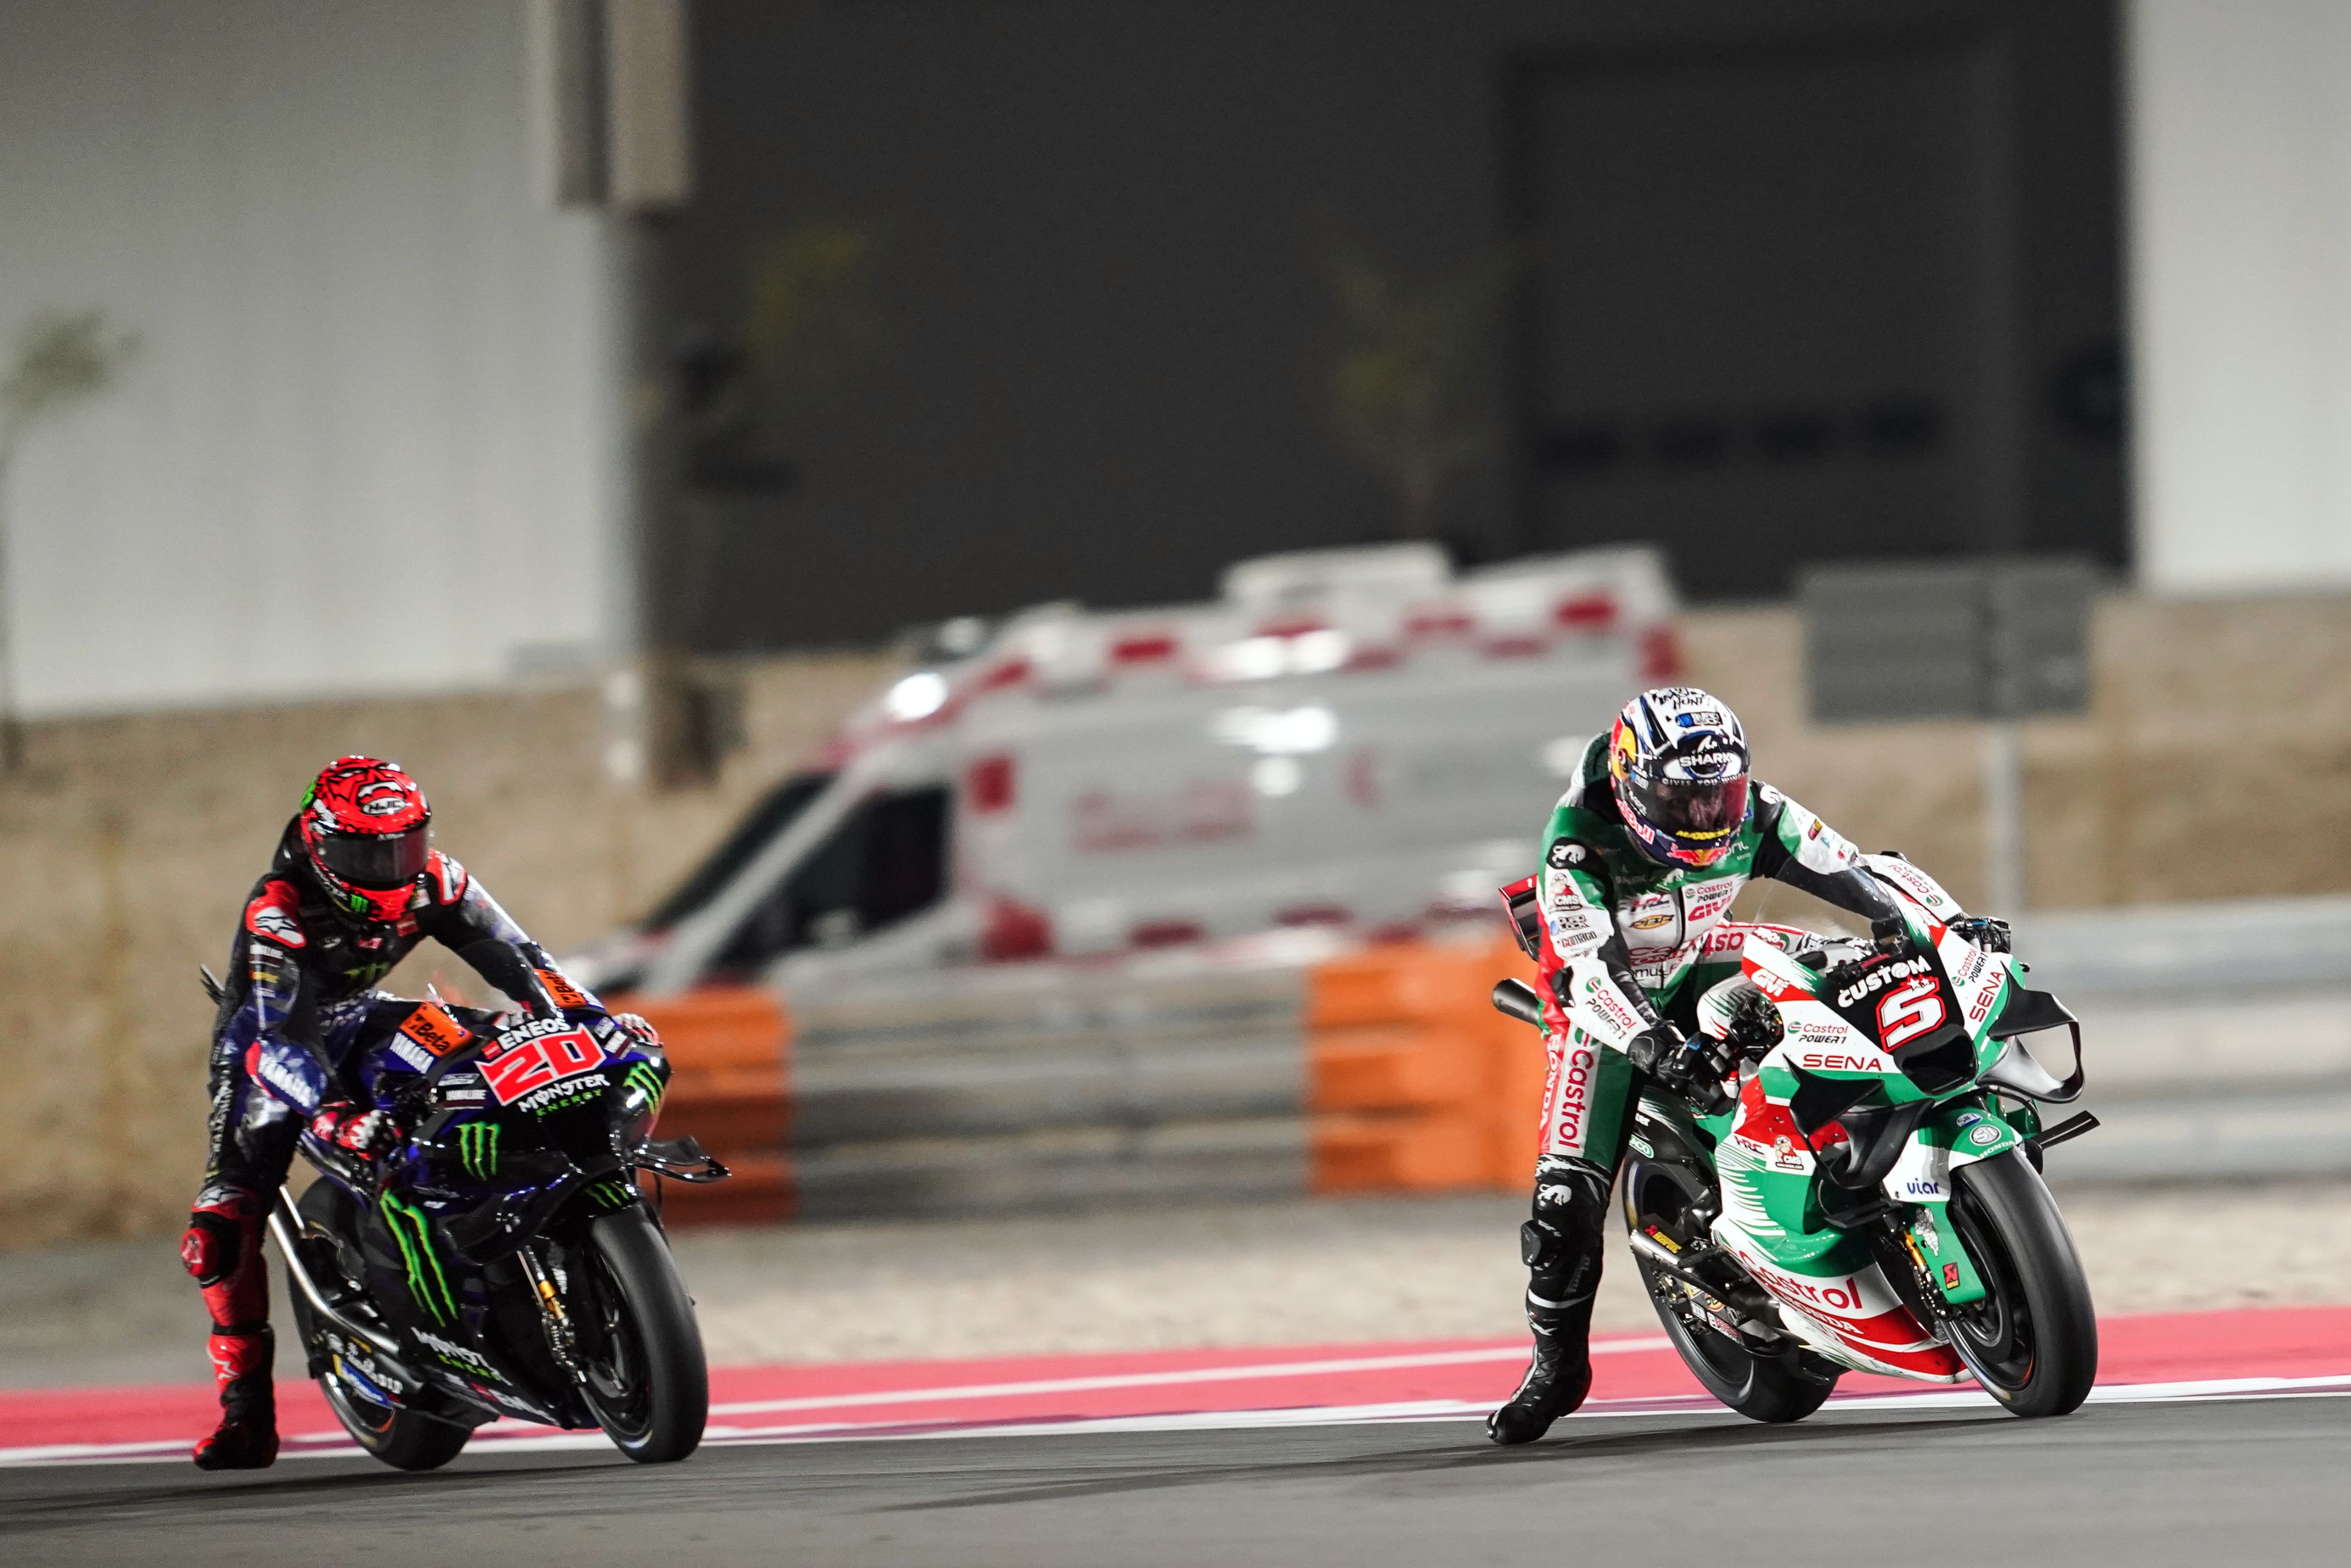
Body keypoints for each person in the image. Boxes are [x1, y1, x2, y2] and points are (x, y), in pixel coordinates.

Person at [1486, 687, 2006, 1445]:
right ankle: (1556, 1367)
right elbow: (1590, 972)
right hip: (1601, 1005)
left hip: (1705, 950)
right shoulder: (1577, 845)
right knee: (1564, 1201)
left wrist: (1944, 929)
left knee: (1842, 966)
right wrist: (1653, 1044)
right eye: (1681, 800)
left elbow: (1858, 871)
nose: (1705, 816)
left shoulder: (1758, 812)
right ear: (1633, 787)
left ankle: (1850, 1154)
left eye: (1718, 795)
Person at [182, 756, 637, 1469]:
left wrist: (592, 1023)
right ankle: (247, 1413)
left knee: (486, 1053)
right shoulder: (279, 909)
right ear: (319, 844)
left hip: (362, 1018)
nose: (390, 870)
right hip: (268, 1053)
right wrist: (332, 1114)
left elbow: (525, 961)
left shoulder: (439, 880)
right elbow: (281, 1035)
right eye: (367, 855)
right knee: (220, 1225)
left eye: (405, 847)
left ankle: (495, 1240)